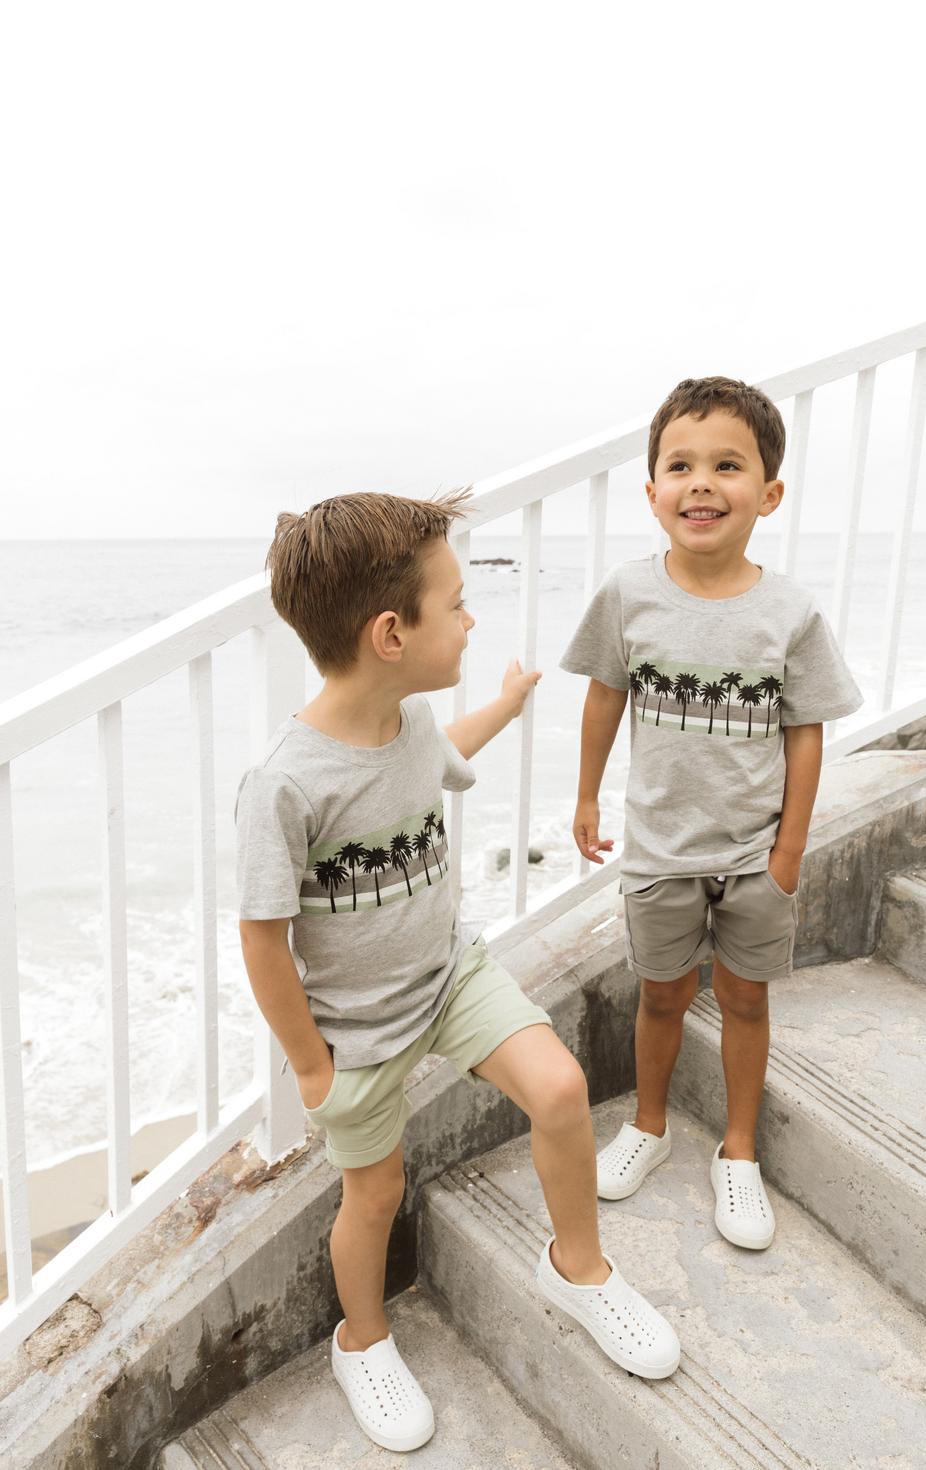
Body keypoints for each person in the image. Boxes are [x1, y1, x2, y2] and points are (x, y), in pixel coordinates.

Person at [236, 491, 681, 1454]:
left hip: (448, 979)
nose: (471, 620)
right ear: (391, 634)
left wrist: (507, 708)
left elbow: (439, 757)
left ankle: (578, 1267)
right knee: (375, 1194)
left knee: (558, 1089)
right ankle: (362, 1341)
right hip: (355, 1032)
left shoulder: (406, 720)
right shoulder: (284, 782)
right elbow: (262, 938)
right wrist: (310, 1067)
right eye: (457, 603)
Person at [560, 377, 862, 1250]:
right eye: (680, 466)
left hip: (753, 856)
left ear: (768, 493)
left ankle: (738, 1151)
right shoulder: (628, 594)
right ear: (651, 491)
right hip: (659, 851)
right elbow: (602, 697)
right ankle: (648, 1126)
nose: (700, 482)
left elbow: (805, 732)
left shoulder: (790, 610)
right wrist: (585, 796)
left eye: (727, 466)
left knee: (744, 1001)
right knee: (659, 997)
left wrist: (787, 853)